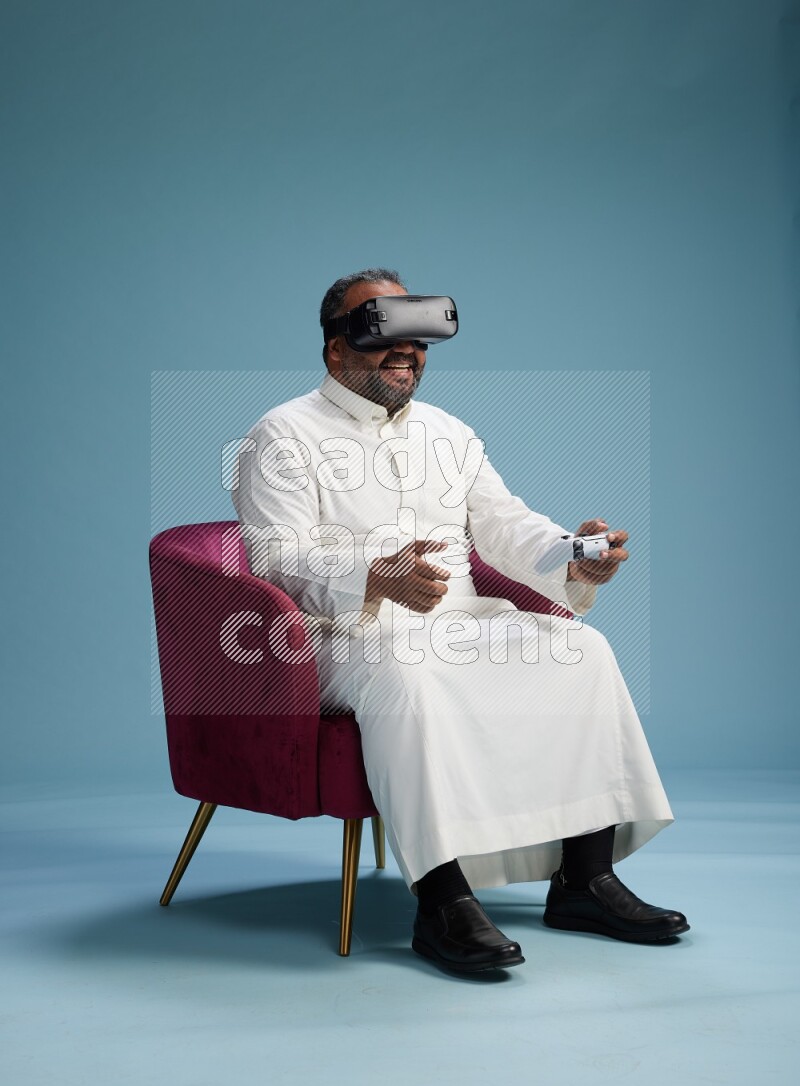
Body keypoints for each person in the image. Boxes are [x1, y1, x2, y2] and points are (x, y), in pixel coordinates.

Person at [232, 267, 689, 974]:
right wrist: (371, 576)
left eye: (416, 339)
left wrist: (573, 557)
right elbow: (275, 559)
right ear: (334, 351)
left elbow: (505, 524)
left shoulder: (450, 433)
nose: (406, 352)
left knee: (579, 649)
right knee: (407, 673)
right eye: (383, 335)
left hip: (459, 617)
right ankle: (443, 902)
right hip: (345, 636)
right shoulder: (282, 436)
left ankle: (584, 881)